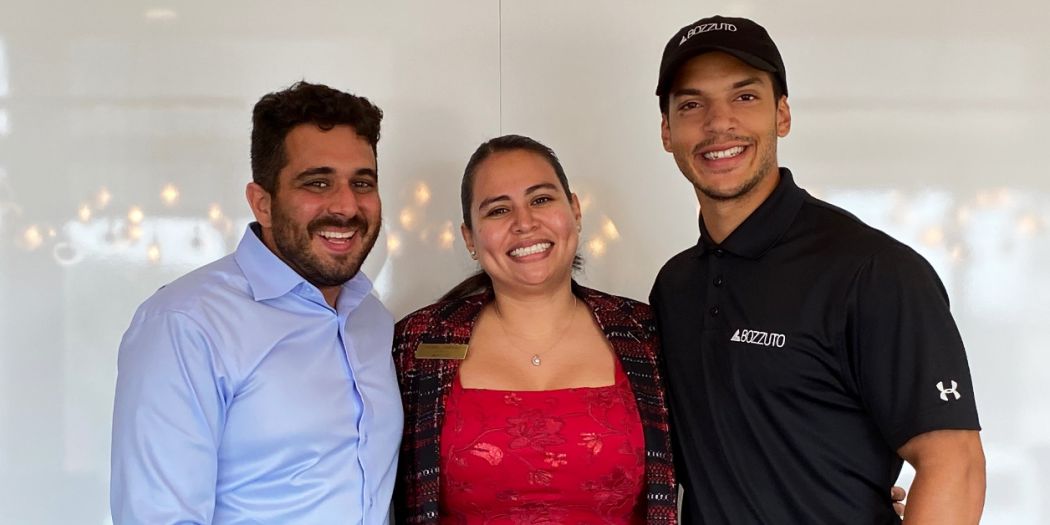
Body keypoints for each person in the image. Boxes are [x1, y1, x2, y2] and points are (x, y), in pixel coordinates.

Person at [648, 15, 986, 523]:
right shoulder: (674, 289)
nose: (719, 123)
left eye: (745, 97)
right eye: (692, 104)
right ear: (667, 132)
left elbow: (953, 465)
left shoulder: (875, 272)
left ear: (782, 115)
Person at [110, 81, 402, 524]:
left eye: (362, 182)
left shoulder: (372, 318)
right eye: (317, 182)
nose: (346, 206)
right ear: (262, 203)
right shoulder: (186, 324)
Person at [392, 135, 677, 524]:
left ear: (575, 210)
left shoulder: (645, 334)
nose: (524, 223)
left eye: (541, 199)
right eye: (497, 210)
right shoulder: (417, 343)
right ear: (470, 238)